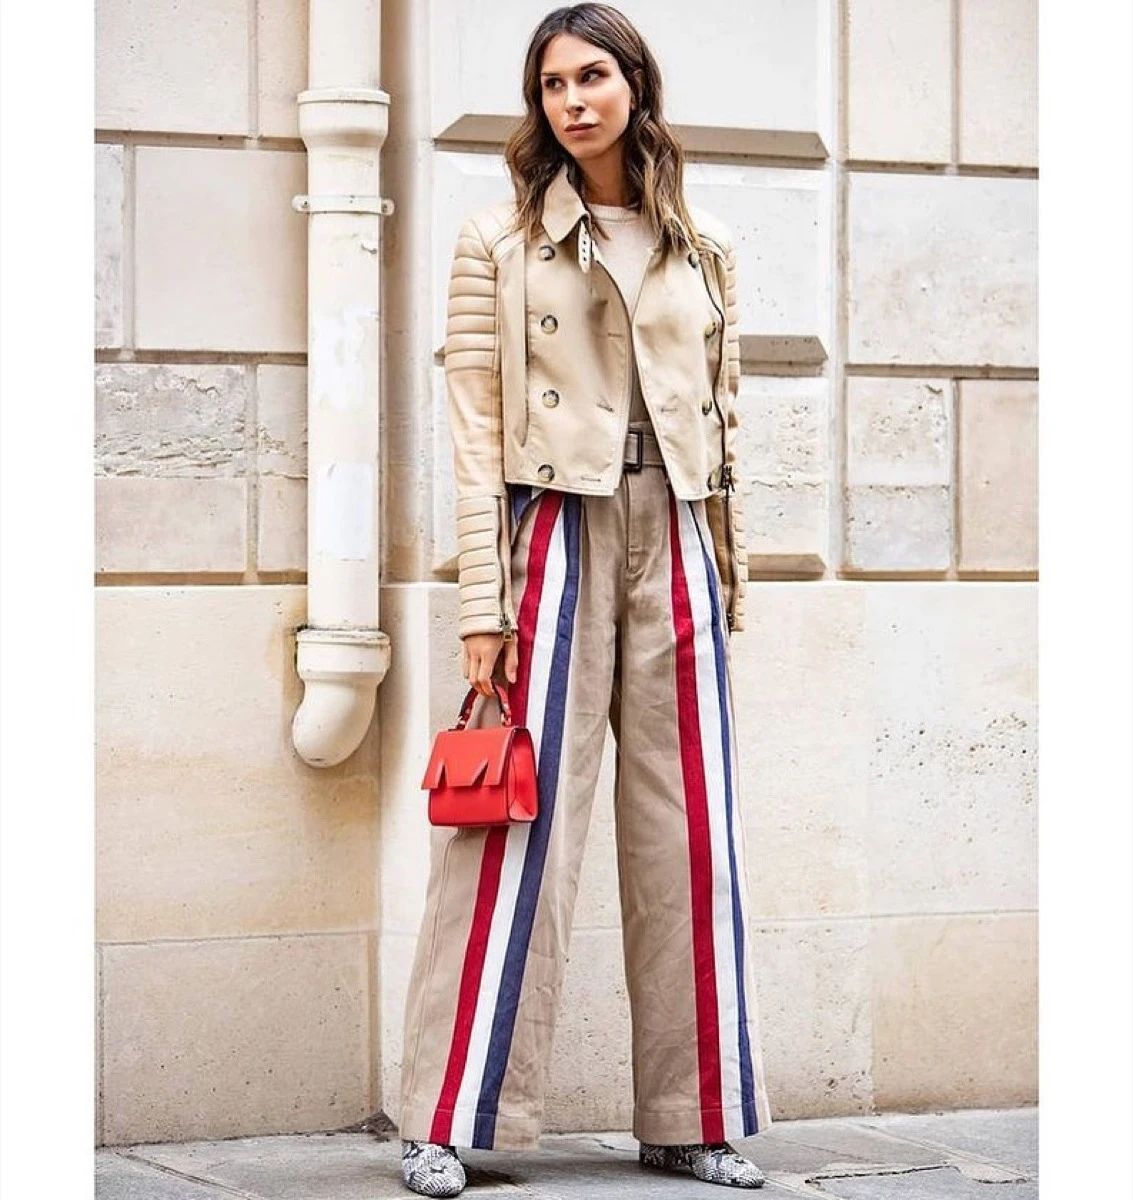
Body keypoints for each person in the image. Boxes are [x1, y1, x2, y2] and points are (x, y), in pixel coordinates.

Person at [398, 5, 773, 1195]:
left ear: (633, 84)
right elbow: (472, 434)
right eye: (552, 83)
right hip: (551, 529)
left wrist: (725, 567)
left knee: (690, 835)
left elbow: (721, 413)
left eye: (592, 76)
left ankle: (690, 1116)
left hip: (678, 531)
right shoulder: (496, 244)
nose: (572, 101)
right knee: (510, 828)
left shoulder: (702, 243)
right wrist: (482, 600)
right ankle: (449, 1114)